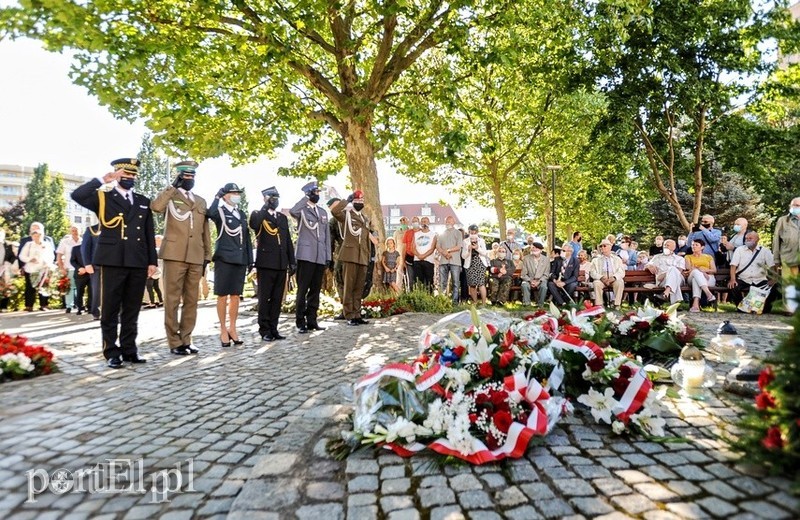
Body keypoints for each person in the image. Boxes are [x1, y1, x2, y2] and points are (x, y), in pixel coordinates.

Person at [71, 158, 157, 368]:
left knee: (132, 308)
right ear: (117, 175)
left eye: (133, 175)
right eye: (125, 174)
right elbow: (77, 195)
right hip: (112, 259)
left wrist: (152, 261)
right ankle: (111, 351)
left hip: (137, 260)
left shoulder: (142, 200)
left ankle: (129, 349)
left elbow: (148, 233)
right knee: (110, 308)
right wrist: (102, 180)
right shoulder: (103, 197)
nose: (129, 178)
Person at [151, 160, 212, 355]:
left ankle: (187, 338)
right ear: (179, 177)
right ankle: (174, 341)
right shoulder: (170, 196)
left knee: (192, 300)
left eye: (192, 176)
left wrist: (207, 255)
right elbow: (156, 207)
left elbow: (205, 230)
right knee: (172, 299)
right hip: (174, 255)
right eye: (186, 176)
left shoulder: (200, 201)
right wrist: (172, 187)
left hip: (196, 255)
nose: (190, 179)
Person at [208, 183, 253, 347]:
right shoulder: (220, 211)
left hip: (240, 258)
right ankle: (223, 329)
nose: (236, 195)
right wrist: (216, 197)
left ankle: (232, 328)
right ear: (225, 195)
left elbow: (246, 238)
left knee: (235, 295)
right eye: (233, 193)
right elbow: (209, 213)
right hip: (224, 258)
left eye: (238, 193)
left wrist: (250, 260)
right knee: (222, 295)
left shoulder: (241, 214)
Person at [250, 186, 295, 341]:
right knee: (265, 298)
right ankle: (264, 330)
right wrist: (265, 207)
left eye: (276, 198)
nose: (275, 201)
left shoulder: (282, 218)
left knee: (277, 299)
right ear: (265, 199)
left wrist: (292, 261)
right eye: (272, 198)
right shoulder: (258, 214)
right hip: (266, 263)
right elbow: (254, 225)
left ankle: (274, 328)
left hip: (281, 263)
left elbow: (287, 240)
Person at [331, 191, 378, 326]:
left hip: (362, 256)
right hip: (350, 255)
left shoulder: (364, 218)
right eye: (357, 200)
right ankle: (349, 315)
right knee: (349, 287)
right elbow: (335, 212)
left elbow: (365, 239)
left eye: (362, 200)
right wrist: (346, 201)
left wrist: (369, 255)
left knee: (358, 288)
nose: (360, 202)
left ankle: (357, 314)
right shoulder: (347, 215)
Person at [290, 181, 331, 333]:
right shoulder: (302, 210)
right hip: (306, 256)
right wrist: (305, 198)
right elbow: (293, 211)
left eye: (318, 193)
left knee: (315, 290)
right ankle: (300, 322)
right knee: (302, 290)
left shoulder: (322, 212)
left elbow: (326, 236)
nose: (317, 195)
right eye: (315, 193)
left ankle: (312, 320)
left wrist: (327, 256)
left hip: (319, 256)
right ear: (308, 194)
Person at [728, 231, 779, 313]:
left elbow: (772, 266)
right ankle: (741, 308)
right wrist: (733, 279)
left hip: (760, 279)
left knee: (775, 287)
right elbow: (733, 266)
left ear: (757, 239)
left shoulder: (765, 251)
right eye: (746, 238)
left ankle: (765, 309)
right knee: (733, 286)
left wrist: (773, 279)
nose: (747, 240)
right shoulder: (739, 250)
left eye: (750, 238)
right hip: (743, 279)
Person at [18, 222, 56, 312]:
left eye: (39, 235)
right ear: (32, 235)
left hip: (43, 269)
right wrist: (30, 259)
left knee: (44, 287)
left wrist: (47, 262)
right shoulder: (28, 244)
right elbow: (21, 256)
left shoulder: (47, 244)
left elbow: (52, 256)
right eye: (34, 235)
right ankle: (29, 306)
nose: (36, 237)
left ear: (42, 235)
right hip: (30, 269)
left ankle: (44, 305)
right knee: (30, 288)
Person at [645, 239, 686, 304]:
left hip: (679, 279)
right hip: (662, 280)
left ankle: (667, 291)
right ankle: (675, 303)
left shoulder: (680, 259)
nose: (665, 247)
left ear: (673, 247)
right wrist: (649, 266)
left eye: (668, 245)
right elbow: (646, 266)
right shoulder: (657, 257)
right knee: (673, 277)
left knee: (673, 269)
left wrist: (668, 272)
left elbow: (678, 272)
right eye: (664, 245)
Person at [590, 239, 626, 308]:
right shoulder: (595, 260)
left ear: (610, 247)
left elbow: (621, 271)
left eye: (604, 246)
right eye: (601, 246)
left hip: (613, 277)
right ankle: (599, 305)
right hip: (601, 278)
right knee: (596, 283)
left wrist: (614, 277)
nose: (602, 248)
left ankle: (617, 304)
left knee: (620, 282)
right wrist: (601, 277)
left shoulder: (617, 259)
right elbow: (592, 272)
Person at [683, 239, 717, 312]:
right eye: (692, 245)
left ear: (702, 247)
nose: (694, 246)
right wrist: (701, 271)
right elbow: (688, 268)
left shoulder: (708, 257)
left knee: (696, 280)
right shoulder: (688, 257)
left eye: (696, 245)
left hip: (708, 278)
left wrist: (705, 271)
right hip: (692, 276)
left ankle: (695, 305)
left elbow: (714, 270)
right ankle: (708, 293)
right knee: (695, 272)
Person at [436, 215, 462, 303]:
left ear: (454, 222)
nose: (448, 222)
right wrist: (445, 253)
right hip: (443, 261)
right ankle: (442, 301)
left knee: (455, 283)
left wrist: (448, 251)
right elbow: (438, 246)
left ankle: (454, 302)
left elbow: (459, 246)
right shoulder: (441, 234)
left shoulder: (458, 233)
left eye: (450, 221)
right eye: (447, 221)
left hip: (455, 261)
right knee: (442, 282)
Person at [773, 197, 800, 280]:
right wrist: (776, 260)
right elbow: (776, 240)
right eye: (793, 205)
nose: (794, 207)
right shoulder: (782, 220)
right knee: (789, 287)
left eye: (797, 205)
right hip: (788, 260)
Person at [56, 225, 81, 313]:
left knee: (79, 288)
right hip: (69, 268)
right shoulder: (65, 242)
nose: (74, 232)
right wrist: (61, 268)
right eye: (73, 230)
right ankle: (69, 306)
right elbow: (59, 255)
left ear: (80, 231)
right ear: (70, 232)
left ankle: (79, 305)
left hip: (80, 268)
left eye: (76, 230)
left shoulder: (83, 241)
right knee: (69, 288)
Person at [462, 224, 489, 304]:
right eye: (471, 232)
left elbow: (485, 253)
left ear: (477, 232)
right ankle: (475, 302)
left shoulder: (481, 241)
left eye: (475, 232)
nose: (473, 234)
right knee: (472, 284)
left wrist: (477, 248)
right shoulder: (465, 241)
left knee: (481, 284)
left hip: (480, 263)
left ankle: (484, 303)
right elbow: (463, 256)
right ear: (469, 232)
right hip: (469, 264)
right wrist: (468, 250)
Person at [81, 223, 101, 319]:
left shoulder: (117, 227)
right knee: (97, 290)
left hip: (114, 265)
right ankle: (97, 312)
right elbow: (85, 247)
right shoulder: (92, 229)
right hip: (97, 266)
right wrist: (87, 263)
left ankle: (116, 313)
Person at [520, 241, 549, 307]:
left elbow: (546, 274)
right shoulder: (526, 258)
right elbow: (523, 274)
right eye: (533, 248)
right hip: (529, 279)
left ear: (541, 250)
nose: (534, 249)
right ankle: (527, 304)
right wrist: (530, 281)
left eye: (536, 248)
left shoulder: (546, 260)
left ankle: (540, 304)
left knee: (544, 286)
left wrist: (539, 281)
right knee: (524, 285)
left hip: (540, 280)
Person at [412, 216, 437, 291]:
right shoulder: (416, 234)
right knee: (418, 282)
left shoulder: (433, 235)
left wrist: (423, 256)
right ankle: (419, 296)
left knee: (429, 282)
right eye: (422, 221)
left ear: (429, 223)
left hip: (428, 261)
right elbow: (413, 247)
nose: (424, 223)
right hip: (417, 261)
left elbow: (432, 248)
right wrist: (419, 255)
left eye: (425, 221)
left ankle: (429, 296)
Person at [69, 237, 91, 315]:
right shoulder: (75, 248)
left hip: (91, 273)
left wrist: (88, 269)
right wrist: (79, 268)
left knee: (91, 291)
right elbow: (72, 261)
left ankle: (90, 307)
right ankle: (79, 308)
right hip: (80, 274)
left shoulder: (92, 248)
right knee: (80, 291)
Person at [144, 235, 164, 309]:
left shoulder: (148, 250)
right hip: (157, 272)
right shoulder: (157, 250)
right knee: (156, 288)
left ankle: (152, 303)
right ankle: (161, 301)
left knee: (149, 288)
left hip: (151, 272)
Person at [0, 229, 17, 312]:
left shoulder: (9, 245)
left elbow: (13, 257)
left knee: (6, 288)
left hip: (5, 270)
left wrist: (9, 263)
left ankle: (4, 307)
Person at [402, 216, 419, 290]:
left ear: (419, 222)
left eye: (416, 221)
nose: (415, 223)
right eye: (413, 221)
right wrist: (403, 260)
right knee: (410, 279)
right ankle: (410, 293)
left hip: (419, 258)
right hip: (409, 258)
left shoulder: (422, 232)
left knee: (418, 279)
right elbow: (404, 247)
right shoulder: (408, 233)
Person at [393, 216, 408, 291]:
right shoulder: (396, 232)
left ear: (407, 221)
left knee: (409, 273)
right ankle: (398, 291)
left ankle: (408, 290)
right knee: (399, 273)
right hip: (399, 256)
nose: (403, 221)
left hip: (409, 255)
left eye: (404, 220)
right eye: (401, 220)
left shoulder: (411, 231)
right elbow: (394, 245)